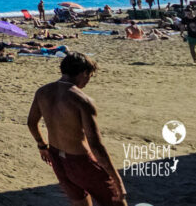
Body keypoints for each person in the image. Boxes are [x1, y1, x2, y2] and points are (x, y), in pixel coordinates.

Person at [27, 53, 126, 206]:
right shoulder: (82, 100)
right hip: (80, 160)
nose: (88, 81)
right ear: (84, 72)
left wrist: (42, 146)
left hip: (57, 158)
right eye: (90, 76)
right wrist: (117, 179)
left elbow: (31, 123)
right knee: (116, 202)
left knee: (79, 202)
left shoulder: (43, 92)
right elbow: (96, 145)